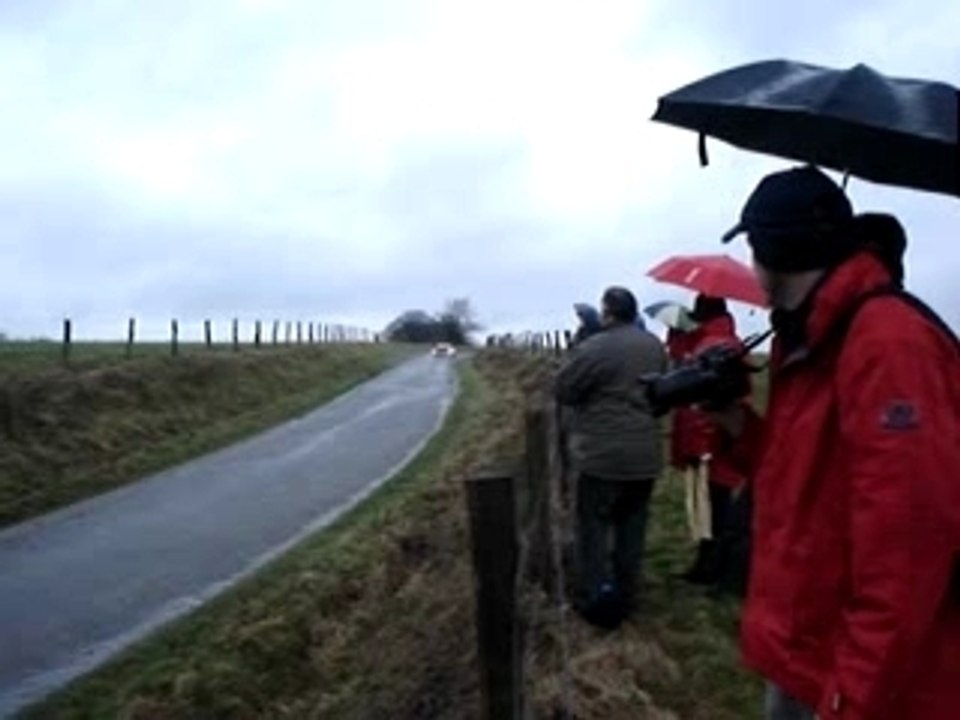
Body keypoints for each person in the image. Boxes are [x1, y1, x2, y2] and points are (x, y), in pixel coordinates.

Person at [712, 166, 960, 720]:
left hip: (874, 683)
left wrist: (850, 698)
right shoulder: (811, 337)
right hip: (808, 654)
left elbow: (908, 548)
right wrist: (736, 423)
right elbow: (800, 477)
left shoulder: (887, 344)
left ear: (770, 251)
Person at [555, 287, 668, 628]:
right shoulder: (654, 346)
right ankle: (627, 593)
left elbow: (565, 390)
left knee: (593, 527)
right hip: (645, 454)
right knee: (632, 527)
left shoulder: (595, 346)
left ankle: (598, 598)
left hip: (602, 455)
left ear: (607, 313)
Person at [669, 295, 749, 587]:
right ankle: (711, 563)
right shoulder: (724, 341)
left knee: (710, 504)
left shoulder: (713, 345)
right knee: (713, 502)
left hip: (707, 440)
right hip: (717, 437)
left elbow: (699, 396)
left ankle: (715, 567)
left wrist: (697, 444)